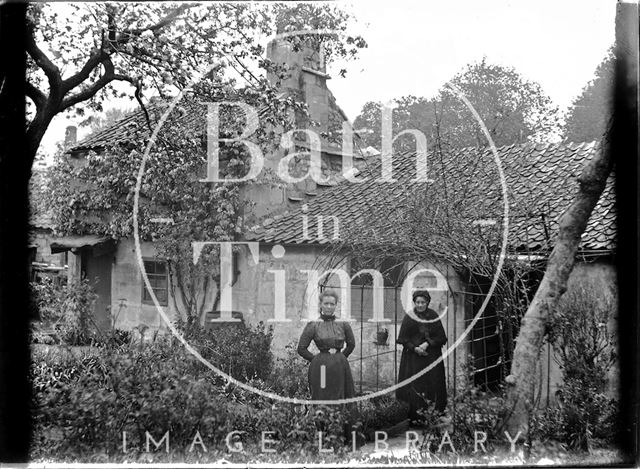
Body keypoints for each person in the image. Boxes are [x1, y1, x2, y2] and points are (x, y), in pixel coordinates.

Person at [396, 290, 447, 424]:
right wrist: (415, 348)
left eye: (423, 302)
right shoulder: (409, 317)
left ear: (427, 302)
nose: (420, 305)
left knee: (432, 384)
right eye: (418, 302)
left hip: (431, 357)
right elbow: (403, 338)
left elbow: (441, 336)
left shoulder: (433, 315)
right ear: (414, 302)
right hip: (413, 360)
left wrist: (427, 344)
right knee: (414, 385)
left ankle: (433, 415)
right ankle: (414, 417)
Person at [297, 290, 356, 400]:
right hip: (321, 368)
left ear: (336, 305)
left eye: (332, 304)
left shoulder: (343, 324)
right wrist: (317, 359)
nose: (329, 307)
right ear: (321, 305)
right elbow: (301, 348)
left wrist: (340, 357)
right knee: (323, 393)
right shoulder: (313, 325)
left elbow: (351, 344)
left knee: (340, 395)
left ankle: (340, 417)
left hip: (339, 367)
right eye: (326, 304)